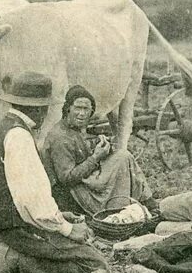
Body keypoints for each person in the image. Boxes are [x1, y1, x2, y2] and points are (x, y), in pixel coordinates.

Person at [0, 72, 108, 273]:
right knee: (95, 264)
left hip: (8, 226)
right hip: (21, 231)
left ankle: (17, 254)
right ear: (40, 109)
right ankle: (17, 258)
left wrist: (59, 215)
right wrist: (67, 229)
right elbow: (30, 198)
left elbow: (16, 194)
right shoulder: (19, 137)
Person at [42, 85, 156, 215]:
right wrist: (95, 157)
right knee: (122, 159)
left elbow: (79, 149)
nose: (82, 114)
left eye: (86, 109)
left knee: (123, 156)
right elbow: (66, 179)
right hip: (72, 194)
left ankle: (145, 200)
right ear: (68, 108)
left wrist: (99, 144)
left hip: (83, 182)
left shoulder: (72, 128)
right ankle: (122, 207)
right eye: (78, 108)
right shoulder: (60, 137)